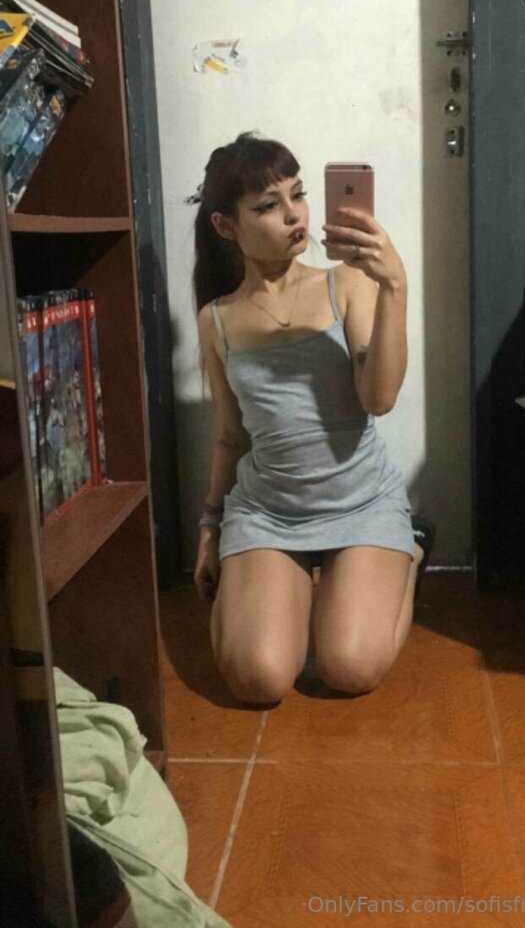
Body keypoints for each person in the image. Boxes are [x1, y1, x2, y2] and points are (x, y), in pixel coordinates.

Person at [191, 132, 436, 706]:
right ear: (226, 226)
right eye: (268, 204)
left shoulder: (344, 284)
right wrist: (210, 528)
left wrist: (393, 285)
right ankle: (295, 582)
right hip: (268, 511)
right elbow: (231, 437)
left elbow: (379, 399)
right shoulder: (216, 320)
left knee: (348, 667)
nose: (294, 214)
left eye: (297, 195)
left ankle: (412, 545)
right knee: (258, 679)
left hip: (360, 502)